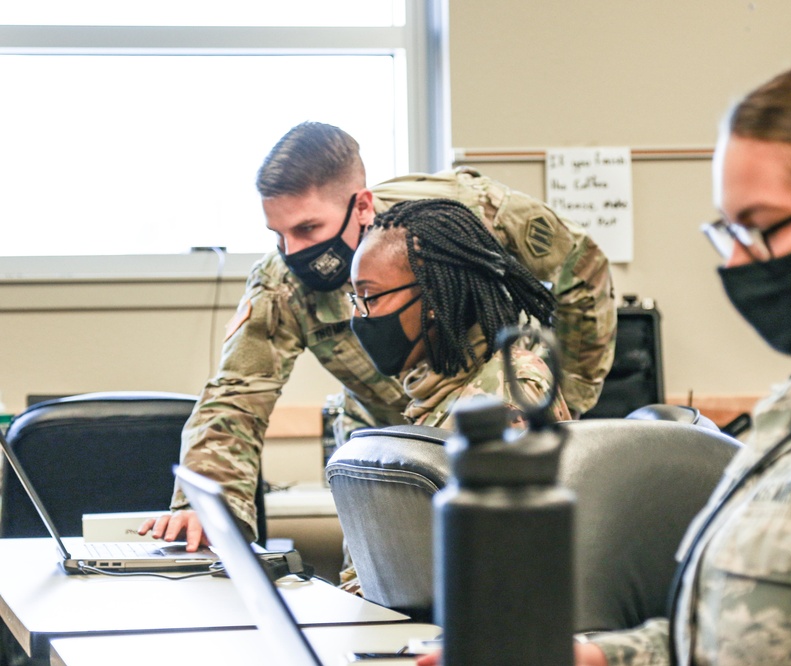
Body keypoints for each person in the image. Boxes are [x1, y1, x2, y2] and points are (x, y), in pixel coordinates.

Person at [424, 51, 791, 666]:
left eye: (761, 226)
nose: (736, 262)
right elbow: (737, 636)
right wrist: (591, 660)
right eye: (729, 230)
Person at [140, 122, 615, 547]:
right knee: (376, 570)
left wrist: (567, 396)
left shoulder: (464, 216)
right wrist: (207, 505)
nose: (294, 251)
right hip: (379, 423)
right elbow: (237, 395)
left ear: (362, 205)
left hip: (482, 414)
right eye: (278, 233)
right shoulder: (282, 281)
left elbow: (582, 267)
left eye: (308, 228)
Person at [350, 197, 572, 428]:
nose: (357, 314)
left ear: (433, 295)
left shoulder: (507, 397)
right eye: (355, 297)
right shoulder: (436, 383)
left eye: (371, 298)